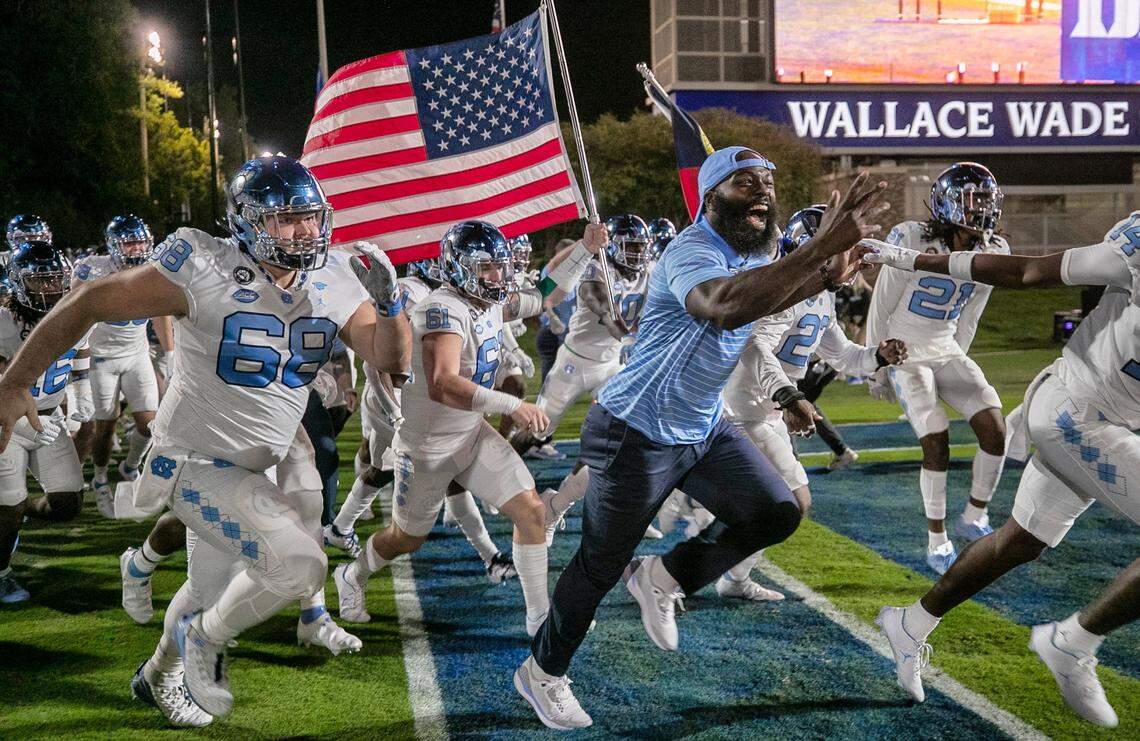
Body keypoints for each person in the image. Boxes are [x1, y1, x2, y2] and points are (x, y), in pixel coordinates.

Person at [0, 155, 410, 724]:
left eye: (310, 218)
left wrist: (390, 305)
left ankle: (157, 672)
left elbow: (388, 358)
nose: (303, 232)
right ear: (245, 221)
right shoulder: (202, 263)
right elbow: (89, 300)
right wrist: (15, 380)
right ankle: (204, 642)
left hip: (258, 459)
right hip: (194, 456)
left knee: (208, 589)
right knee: (299, 566)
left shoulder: (335, 274)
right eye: (285, 219)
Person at [513, 146, 888, 730]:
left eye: (768, 181)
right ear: (711, 196)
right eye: (745, 182)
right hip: (635, 430)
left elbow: (761, 301)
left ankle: (662, 577)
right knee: (598, 564)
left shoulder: (751, 254)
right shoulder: (693, 249)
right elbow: (722, 307)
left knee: (778, 511)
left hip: (702, 424)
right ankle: (542, 671)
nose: (763, 191)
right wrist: (817, 251)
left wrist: (821, 274)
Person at [863, 210, 1140, 730]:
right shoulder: (1136, 245)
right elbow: (1027, 272)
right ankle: (1072, 643)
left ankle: (911, 622)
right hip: (1078, 413)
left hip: (1103, 414)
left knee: (1021, 541)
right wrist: (909, 258)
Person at [333, 219, 603, 637]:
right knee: (406, 538)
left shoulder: (487, 300)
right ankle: (354, 573)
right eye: (488, 268)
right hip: (426, 447)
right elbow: (442, 383)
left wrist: (584, 250)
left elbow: (548, 293)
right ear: (459, 268)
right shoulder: (442, 309)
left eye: (502, 266)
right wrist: (511, 404)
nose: (500, 276)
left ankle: (539, 618)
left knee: (531, 513)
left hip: (471, 434)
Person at [714, 204, 908, 601]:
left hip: (764, 409)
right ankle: (668, 574)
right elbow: (754, 348)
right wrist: (789, 397)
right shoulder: (781, 289)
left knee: (785, 504)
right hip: (742, 409)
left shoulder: (819, 297)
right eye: (844, 251)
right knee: (777, 504)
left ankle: (725, 577)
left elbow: (843, 355)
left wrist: (878, 356)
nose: (853, 263)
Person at [326, 257, 517, 584]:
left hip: (414, 402)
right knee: (451, 474)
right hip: (399, 399)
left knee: (384, 470)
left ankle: (340, 528)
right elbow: (378, 363)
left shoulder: (452, 299)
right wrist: (395, 411)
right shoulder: (414, 293)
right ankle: (491, 558)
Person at [865, 163, 1010, 574]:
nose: (981, 208)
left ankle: (974, 516)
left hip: (946, 348)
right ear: (947, 202)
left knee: (996, 429)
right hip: (906, 350)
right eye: (972, 199)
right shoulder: (912, 236)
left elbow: (971, 315)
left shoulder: (995, 248)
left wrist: (959, 360)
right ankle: (937, 540)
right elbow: (883, 300)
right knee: (937, 440)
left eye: (986, 199)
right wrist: (874, 362)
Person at [512, 214, 651, 457]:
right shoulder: (595, 268)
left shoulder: (650, 271)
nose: (638, 253)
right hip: (575, 362)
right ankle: (506, 459)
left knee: (630, 424)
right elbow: (603, 309)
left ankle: (578, 485)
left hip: (611, 364)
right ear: (614, 244)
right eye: (632, 246)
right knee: (539, 429)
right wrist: (628, 338)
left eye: (642, 246)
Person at [0, 241, 93, 603]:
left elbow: (81, 350)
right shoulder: (4, 325)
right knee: (9, 499)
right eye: (40, 281)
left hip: (51, 420)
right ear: (19, 283)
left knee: (67, 503)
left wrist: (82, 393)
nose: (51, 288)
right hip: (7, 424)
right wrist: (26, 424)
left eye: (56, 279)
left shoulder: (74, 314)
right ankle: (2, 571)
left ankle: (15, 516)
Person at [73, 215, 168, 515]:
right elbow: (73, 307)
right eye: (129, 243)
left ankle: (130, 466)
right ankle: (100, 478)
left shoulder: (153, 267)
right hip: (101, 358)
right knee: (105, 426)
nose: (136, 248)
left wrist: (171, 353)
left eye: (140, 241)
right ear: (114, 245)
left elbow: (161, 312)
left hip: (137, 353)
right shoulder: (93, 269)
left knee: (151, 424)